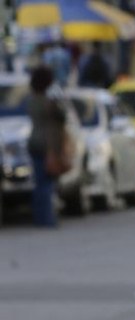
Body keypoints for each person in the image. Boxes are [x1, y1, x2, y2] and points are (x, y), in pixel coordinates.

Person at [26, 66, 68, 228]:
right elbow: (61, 117)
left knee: (40, 182)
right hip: (47, 145)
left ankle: (40, 216)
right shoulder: (48, 102)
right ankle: (47, 218)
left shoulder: (31, 101)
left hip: (35, 142)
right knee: (46, 183)